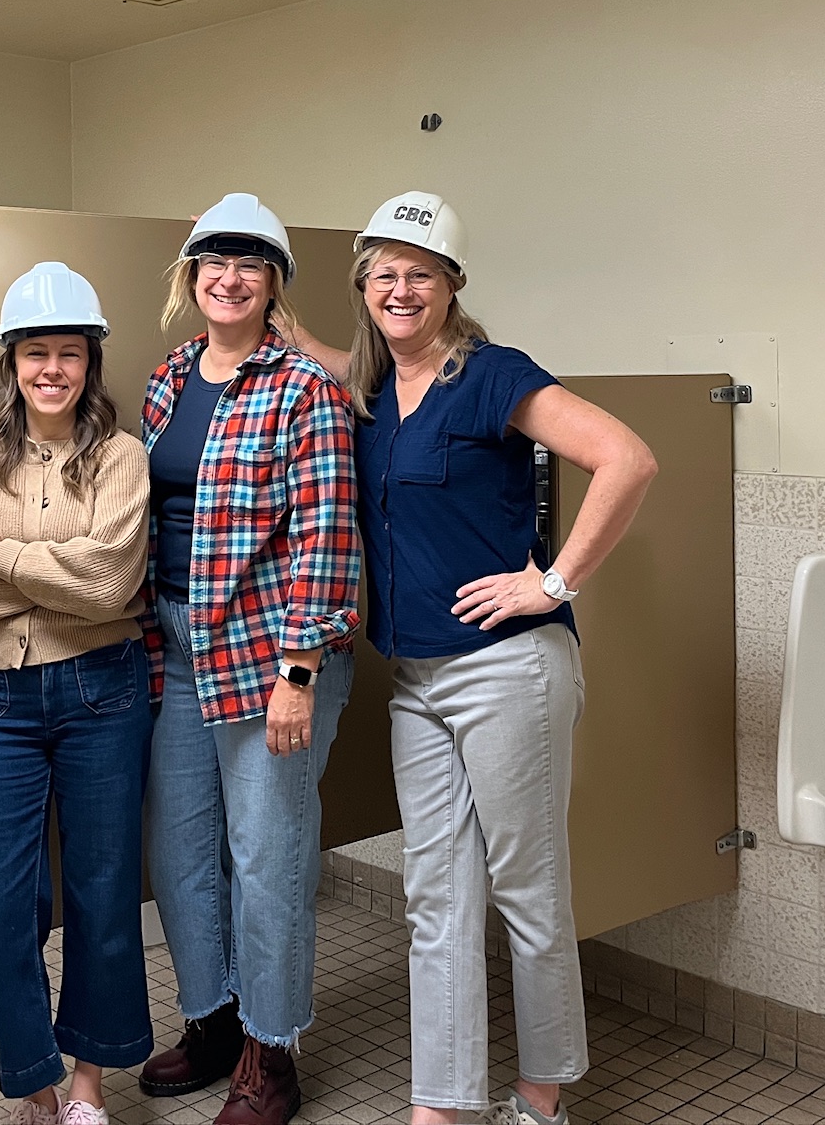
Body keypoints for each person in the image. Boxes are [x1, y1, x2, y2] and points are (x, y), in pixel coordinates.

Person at [296, 191, 657, 1125]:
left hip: (508, 671)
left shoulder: (493, 376)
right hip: (416, 680)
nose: (400, 290)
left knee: (527, 890)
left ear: (452, 285)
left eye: (420, 274)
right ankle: (444, 1106)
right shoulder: (373, 392)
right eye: (384, 275)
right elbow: (332, 357)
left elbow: (626, 459)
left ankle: (541, 1096)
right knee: (437, 898)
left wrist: (553, 582)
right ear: (363, 287)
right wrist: (271, 317)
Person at [137, 193, 362, 1125]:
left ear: (275, 284)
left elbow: (327, 536)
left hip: (274, 651)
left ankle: (272, 1052)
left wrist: (298, 674)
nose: (228, 279)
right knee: (180, 849)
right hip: (178, 644)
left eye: (250, 264)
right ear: (191, 276)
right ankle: (216, 1020)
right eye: (213, 262)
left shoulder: (305, 388)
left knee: (268, 857)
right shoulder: (166, 379)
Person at [0, 262, 156, 1125]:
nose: (52, 369)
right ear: (12, 360)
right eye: (35, 352)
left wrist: (4, 558)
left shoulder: (122, 456)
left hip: (104, 693)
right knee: (2, 902)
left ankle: (89, 1087)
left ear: (91, 362)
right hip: (2, 703)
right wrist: (60, 575)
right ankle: (35, 1081)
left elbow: (112, 586)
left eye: (69, 352)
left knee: (103, 893)